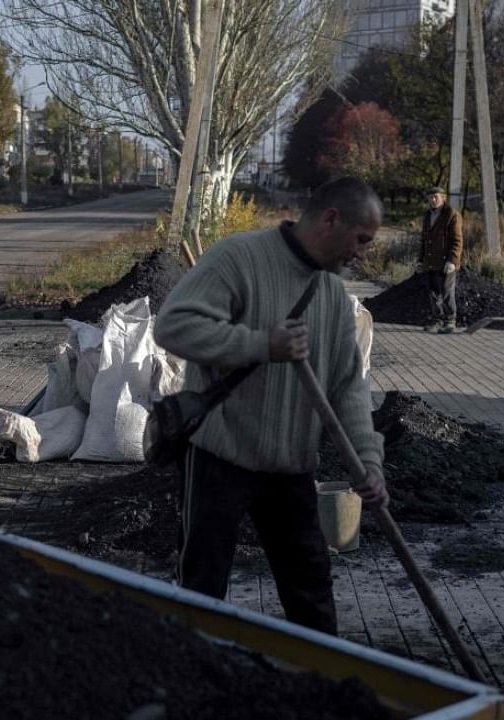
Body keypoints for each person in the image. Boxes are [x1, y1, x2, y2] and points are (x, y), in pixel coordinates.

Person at [154, 176, 390, 635]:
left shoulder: (335, 301)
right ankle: (191, 681)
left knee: (311, 592)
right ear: (331, 219)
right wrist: (260, 344)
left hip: (291, 469)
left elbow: (349, 389)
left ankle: (318, 686)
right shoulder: (239, 257)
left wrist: (367, 460)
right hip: (221, 459)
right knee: (202, 587)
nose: (363, 253)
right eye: (362, 239)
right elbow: (173, 327)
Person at [416, 186, 462, 333]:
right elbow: (424, 240)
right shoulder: (428, 215)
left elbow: (457, 240)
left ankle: (450, 321)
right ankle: (437, 320)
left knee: (447, 292)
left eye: (436, 196)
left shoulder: (451, 215)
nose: (433, 199)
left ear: (443, 198)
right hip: (431, 261)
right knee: (434, 293)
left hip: (445, 262)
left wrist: (453, 261)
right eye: (431, 197)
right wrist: (421, 260)